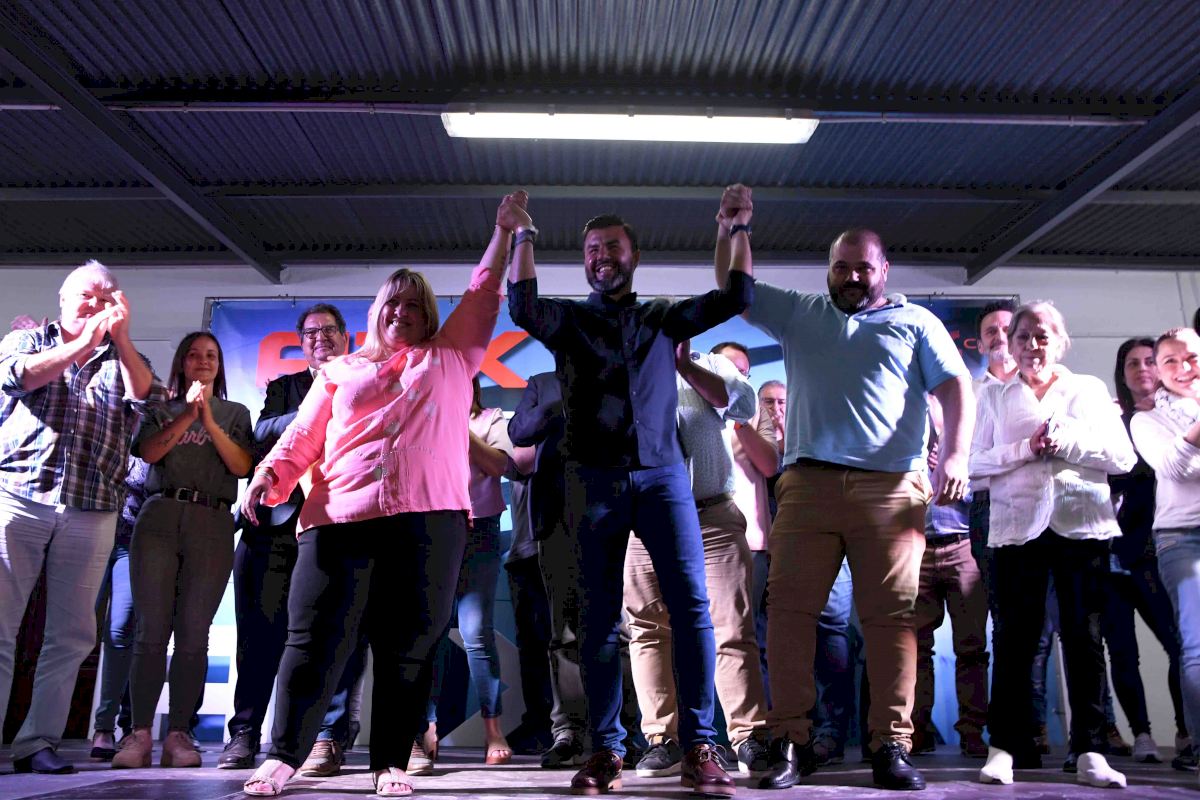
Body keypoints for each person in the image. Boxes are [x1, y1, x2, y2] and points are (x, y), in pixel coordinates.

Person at [238, 192, 527, 798]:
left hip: (429, 523)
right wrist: (269, 475)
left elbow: (482, 294)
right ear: (375, 313)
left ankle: (390, 762)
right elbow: (302, 436)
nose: (402, 311)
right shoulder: (339, 372)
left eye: (414, 304)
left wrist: (502, 234)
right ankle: (283, 757)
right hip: (337, 519)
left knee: (409, 647)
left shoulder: (452, 357)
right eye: (392, 301)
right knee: (313, 642)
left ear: (429, 316)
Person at [508, 186, 753, 796]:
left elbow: (736, 296)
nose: (601, 256)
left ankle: (700, 745)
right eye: (592, 249)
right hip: (592, 481)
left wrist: (735, 229)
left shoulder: (661, 317)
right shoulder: (569, 321)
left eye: (612, 246)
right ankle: (607, 749)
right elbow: (522, 305)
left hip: (664, 479)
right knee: (597, 618)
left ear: (634, 256)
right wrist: (522, 235)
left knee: (691, 609)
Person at [721, 211, 973, 791]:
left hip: (891, 488)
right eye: (841, 267)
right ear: (828, 270)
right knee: (788, 616)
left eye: (864, 267)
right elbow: (735, 289)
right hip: (807, 486)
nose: (852, 276)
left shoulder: (916, 322)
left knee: (892, 621)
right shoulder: (801, 313)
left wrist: (957, 457)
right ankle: (791, 740)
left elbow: (956, 386)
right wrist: (733, 231)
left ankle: (891, 745)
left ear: (884, 269)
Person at [0, 261, 162, 775]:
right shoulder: (27, 341)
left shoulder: (127, 359)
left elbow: (150, 401)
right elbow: (18, 377)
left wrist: (121, 339)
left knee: (71, 635)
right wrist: (84, 344)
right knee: (0, 625)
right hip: (18, 497)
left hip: (92, 508)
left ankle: (37, 742)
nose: (96, 305)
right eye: (87, 296)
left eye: (107, 298)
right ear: (63, 299)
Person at [971, 301, 1136, 788]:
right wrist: (1027, 449)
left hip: (1082, 527)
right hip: (1016, 529)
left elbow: (1123, 457)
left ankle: (1090, 750)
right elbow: (974, 465)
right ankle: (1003, 748)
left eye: (1042, 335)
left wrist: (1069, 442)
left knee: (1084, 637)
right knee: (1014, 640)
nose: (1032, 345)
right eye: (1023, 336)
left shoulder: (1088, 389)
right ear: (1010, 344)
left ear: (1060, 342)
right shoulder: (994, 397)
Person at [220, 303, 359, 772]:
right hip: (275, 526)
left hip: (335, 523)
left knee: (333, 633)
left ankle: (326, 739)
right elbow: (261, 434)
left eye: (329, 330)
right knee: (259, 636)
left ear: (346, 337)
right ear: (301, 344)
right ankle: (244, 733)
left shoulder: (363, 381)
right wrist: (312, 411)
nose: (320, 338)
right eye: (311, 333)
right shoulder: (284, 388)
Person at [623, 344, 771, 779]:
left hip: (712, 515)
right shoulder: (621, 366)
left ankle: (746, 737)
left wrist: (683, 365)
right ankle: (662, 740)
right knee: (648, 629)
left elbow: (742, 405)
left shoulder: (711, 364)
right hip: (644, 520)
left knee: (732, 628)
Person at [112, 331, 253, 768]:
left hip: (211, 521)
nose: (203, 361)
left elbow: (241, 466)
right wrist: (187, 414)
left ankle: (178, 734)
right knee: (150, 631)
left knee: (194, 633)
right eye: (194, 355)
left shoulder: (235, 412)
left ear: (220, 365)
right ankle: (138, 734)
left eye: (211, 355)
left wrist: (207, 419)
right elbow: (150, 453)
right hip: (159, 517)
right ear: (182, 362)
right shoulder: (159, 407)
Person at [424, 375, 517, 767]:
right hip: (433, 530)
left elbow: (499, 464)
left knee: (476, 632)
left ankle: (493, 730)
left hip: (480, 531)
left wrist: (456, 426)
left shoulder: (492, 419)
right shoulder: (422, 417)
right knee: (430, 632)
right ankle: (426, 728)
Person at [1105, 338, 1190, 764]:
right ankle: (1141, 734)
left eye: (1149, 361)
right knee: (1123, 651)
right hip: (1115, 552)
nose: (1142, 369)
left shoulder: (1179, 417)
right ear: (1122, 374)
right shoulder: (1113, 423)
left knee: (1181, 645)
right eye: (1132, 363)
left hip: (1163, 548)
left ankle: (1186, 731)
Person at [1130, 326, 1200, 783]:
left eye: (1191, 357)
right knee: (1196, 643)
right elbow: (1175, 466)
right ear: (1158, 370)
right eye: (1170, 361)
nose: (1183, 368)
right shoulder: (1147, 420)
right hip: (1182, 536)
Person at [911, 403, 988, 759]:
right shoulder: (908, 442)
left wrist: (954, 475)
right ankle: (917, 730)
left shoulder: (972, 442)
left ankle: (972, 731)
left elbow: (984, 496)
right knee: (915, 647)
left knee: (971, 646)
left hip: (964, 546)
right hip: (917, 548)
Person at [89, 455, 151, 760]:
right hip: (88, 529)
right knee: (72, 628)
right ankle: (42, 731)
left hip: (131, 541)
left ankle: (105, 727)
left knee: (120, 631)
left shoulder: (152, 436)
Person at [968, 300, 1017, 617]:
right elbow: (969, 461)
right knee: (1004, 615)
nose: (1000, 336)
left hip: (1043, 502)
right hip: (989, 506)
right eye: (991, 331)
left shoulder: (1044, 387)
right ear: (980, 344)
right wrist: (1025, 451)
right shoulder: (968, 394)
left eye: (1008, 329)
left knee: (1060, 615)